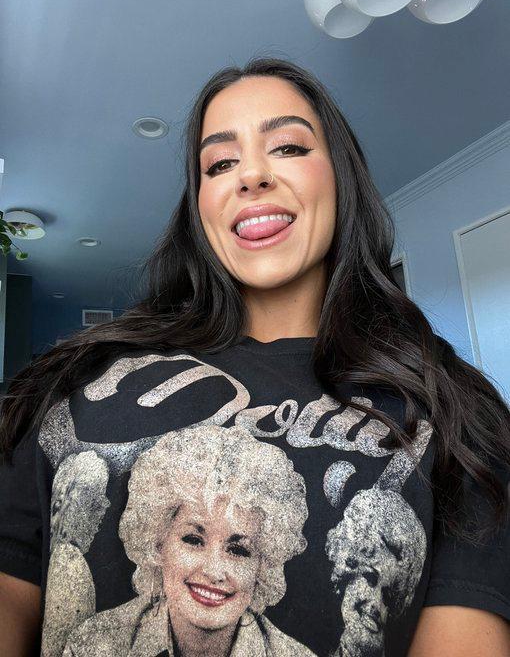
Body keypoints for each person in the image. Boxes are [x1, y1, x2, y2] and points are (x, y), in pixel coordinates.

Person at [0, 57, 509, 657]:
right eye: (220, 163)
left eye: (288, 147)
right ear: (201, 206)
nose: (251, 176)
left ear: (341, 177)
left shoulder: (452, 413)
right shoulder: (84, 380)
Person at [59, 424, 314, 656]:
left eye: (238, 550)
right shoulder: (93, 646)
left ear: (263, 566)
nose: (213, 571)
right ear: (158, 543)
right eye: (193, 540)